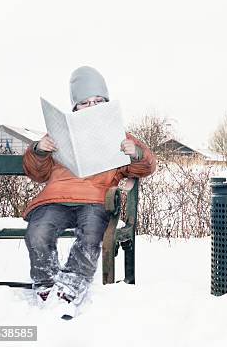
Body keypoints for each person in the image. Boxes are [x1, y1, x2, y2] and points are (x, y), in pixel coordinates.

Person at [22, 66, 156, 313]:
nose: (93, 106)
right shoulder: (59, 134)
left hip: (95, 199)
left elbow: (146, 166)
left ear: (106, 103)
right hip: (56, 198)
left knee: (92, 231)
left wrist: (135, 154)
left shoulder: (120, 136)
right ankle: (45, 281)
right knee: (38, 231)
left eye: (98, 101)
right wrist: (39, 150)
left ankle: (74, 280)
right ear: (75, 108)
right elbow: (36, 173)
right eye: (85, 103)